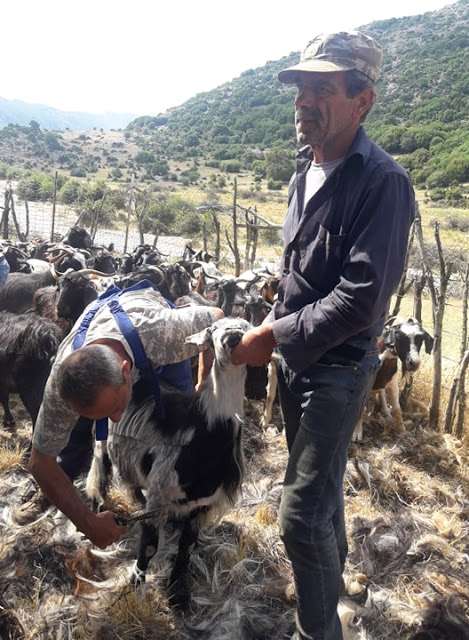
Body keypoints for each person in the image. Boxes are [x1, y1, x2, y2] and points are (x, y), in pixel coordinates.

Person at [230, 31, 415, 640]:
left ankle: (318, 631)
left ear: (362, 101)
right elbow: (303, 271)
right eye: (301, 89)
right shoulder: (300, 175)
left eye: (322, 90)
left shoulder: (381, 182)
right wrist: (276, 300)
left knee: (299, 516)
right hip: (296, 364)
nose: (304, 103)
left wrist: (275, 335)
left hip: (340, 365)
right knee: (325, 489)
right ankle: (333, 597)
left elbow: (362, 300)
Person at [28, 282, 222, 549]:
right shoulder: (61, 386)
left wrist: (204, 380)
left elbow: (218, 320)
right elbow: (40, 462)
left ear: (126, 370)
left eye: (117, 407)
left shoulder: (166, 334)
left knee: (177, 423)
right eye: (106, 415)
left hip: (152, 341)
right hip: (112, 339)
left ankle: (175, 494)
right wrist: (88, 523)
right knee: (74, 439)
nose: (117, 420)